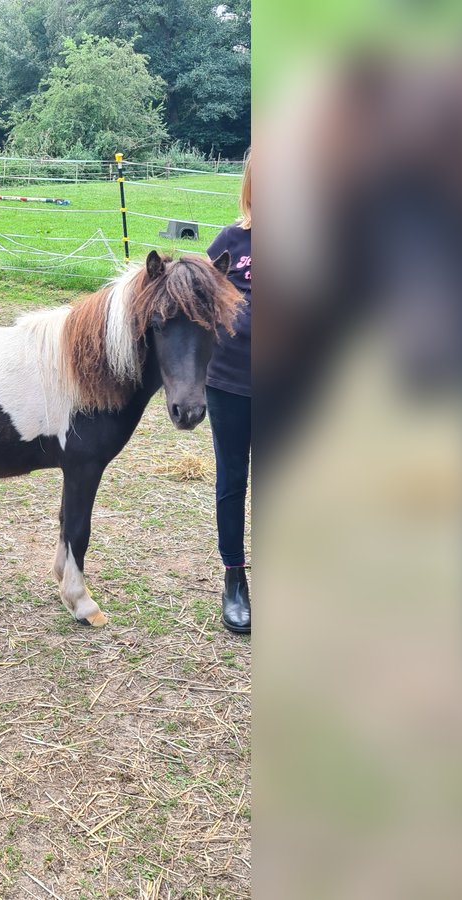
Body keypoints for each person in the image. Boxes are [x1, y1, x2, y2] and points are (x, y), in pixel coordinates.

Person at [204, 151, 252, 634]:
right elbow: (203, 302)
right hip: (231, 382)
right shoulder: (232, 242)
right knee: (232, 479)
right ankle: (234, 577)